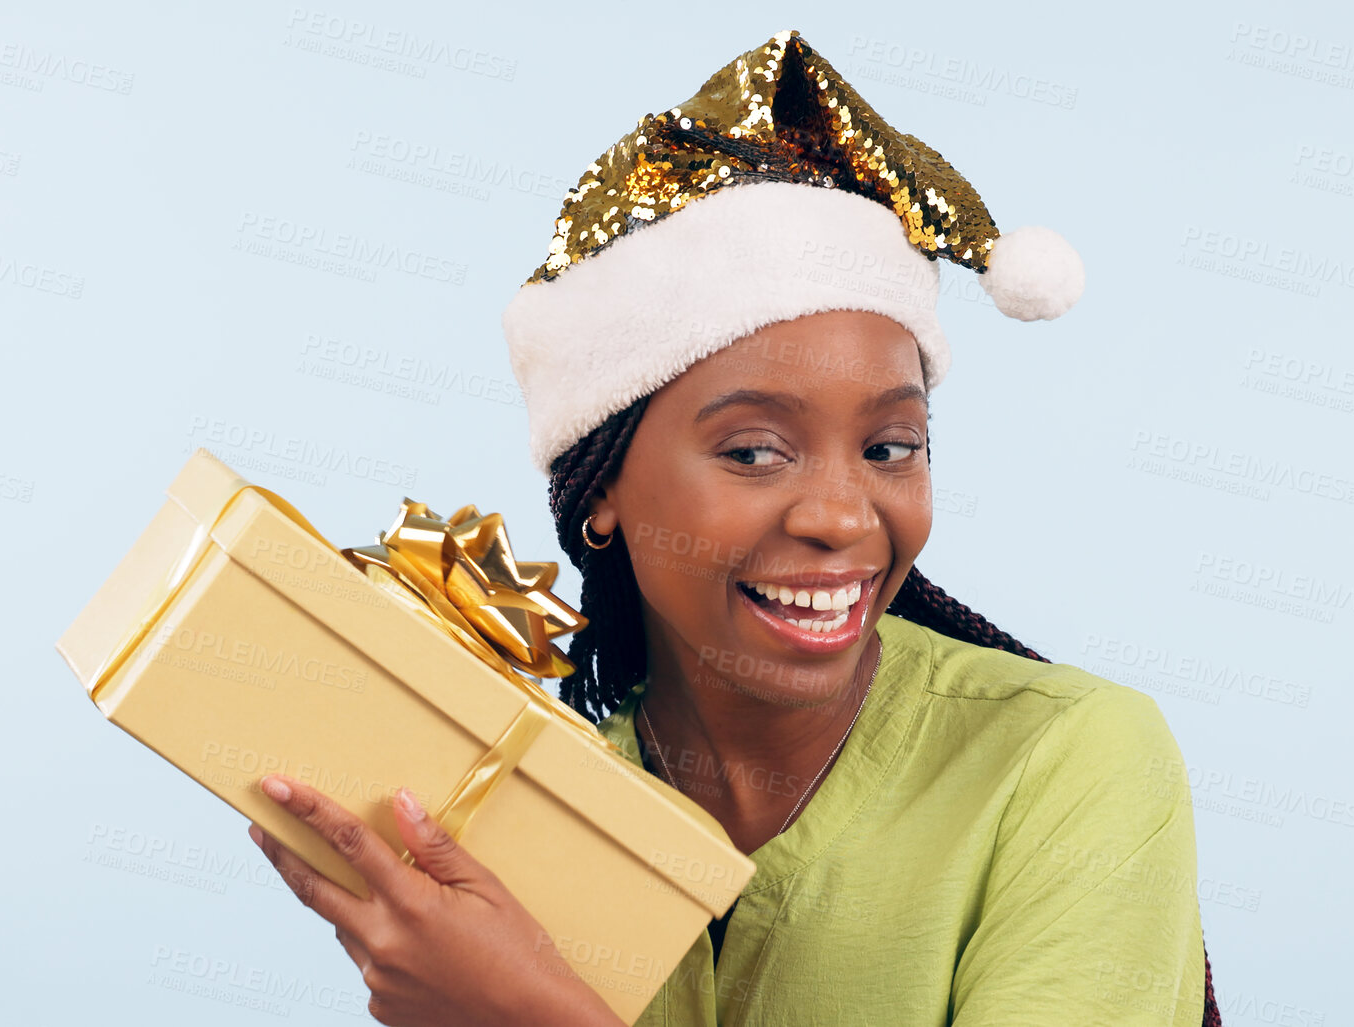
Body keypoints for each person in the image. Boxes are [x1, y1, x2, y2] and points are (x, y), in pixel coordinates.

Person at [247, 29, 1221, 1027]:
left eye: (891, 447)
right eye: (755, 451)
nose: (843, 515)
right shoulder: (531, 816)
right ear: (601, 487)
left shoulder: (1069, 762)